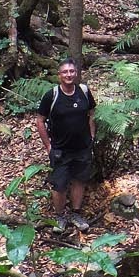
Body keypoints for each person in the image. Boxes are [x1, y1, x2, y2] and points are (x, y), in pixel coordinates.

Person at [34, 60, 97, 231]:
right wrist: (48, 146)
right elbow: (40, 120)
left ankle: (76, 214)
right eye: (65, 72)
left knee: (79, 180)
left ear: (76, 74)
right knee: (59, 184)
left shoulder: (84, 92)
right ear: (59, 75)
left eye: (71, 71)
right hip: (60, 149)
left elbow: (92, 113)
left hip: (82, 147)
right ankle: (60, 217)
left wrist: (91, 135)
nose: (68, 75)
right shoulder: (51, 95)